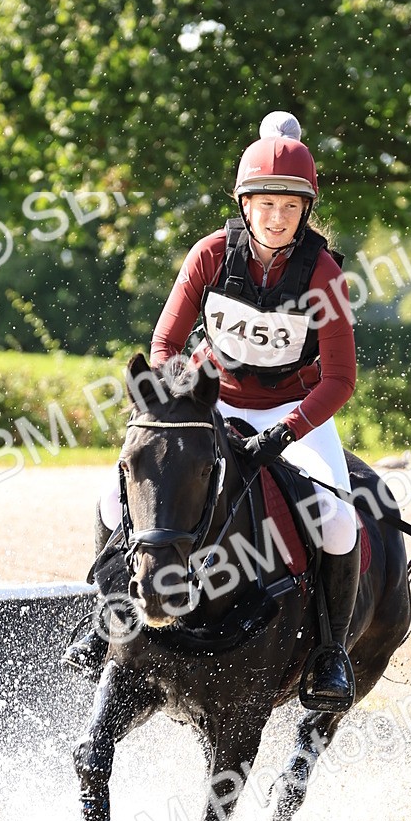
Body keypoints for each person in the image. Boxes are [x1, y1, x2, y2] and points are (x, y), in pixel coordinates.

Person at [63, 111, 360, 708]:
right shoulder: (210, 255)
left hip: (293, 411)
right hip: (210, 400)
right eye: (265, 205)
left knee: (336, 519)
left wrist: (285, 432)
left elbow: (339, 380)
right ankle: (110, 614)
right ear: (245, 205)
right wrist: (182, 397)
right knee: (110, 496)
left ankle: (329, 655)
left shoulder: (325, 275)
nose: (276, 218)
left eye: (290, 207)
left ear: (305, 210)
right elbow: (165, 345)